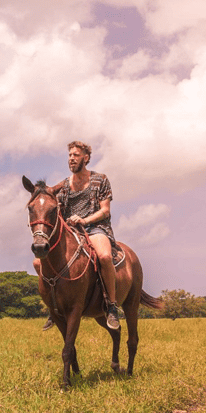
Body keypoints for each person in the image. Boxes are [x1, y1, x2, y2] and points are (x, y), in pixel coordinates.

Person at [34, 141, 120, 330]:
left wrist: (85, 220)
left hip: (96, 228)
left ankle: (112, 306)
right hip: (71, 232)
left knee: (105, 257)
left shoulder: (100, 179)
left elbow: (105, 210)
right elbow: (47, 194)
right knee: (37, 262)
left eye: (76, 155)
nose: (72, 158)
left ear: (86, 158)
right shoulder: (64, 185)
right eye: (70, 155)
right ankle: (53, 307)